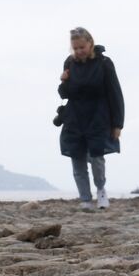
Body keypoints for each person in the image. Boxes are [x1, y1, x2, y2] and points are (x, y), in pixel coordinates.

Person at [58, 26, 123, 209]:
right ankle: (85, 199)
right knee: (77, 159)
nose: (79, 51)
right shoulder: (69, 63)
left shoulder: (104, 63)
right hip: (74, 118)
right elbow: (64, 94)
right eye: (75, 48)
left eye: (82, 47)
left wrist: (118, 123)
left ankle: (101, 190)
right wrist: (63, 81)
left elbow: (115, 93)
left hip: (98, 117)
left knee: (97, 158)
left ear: (90, 43)